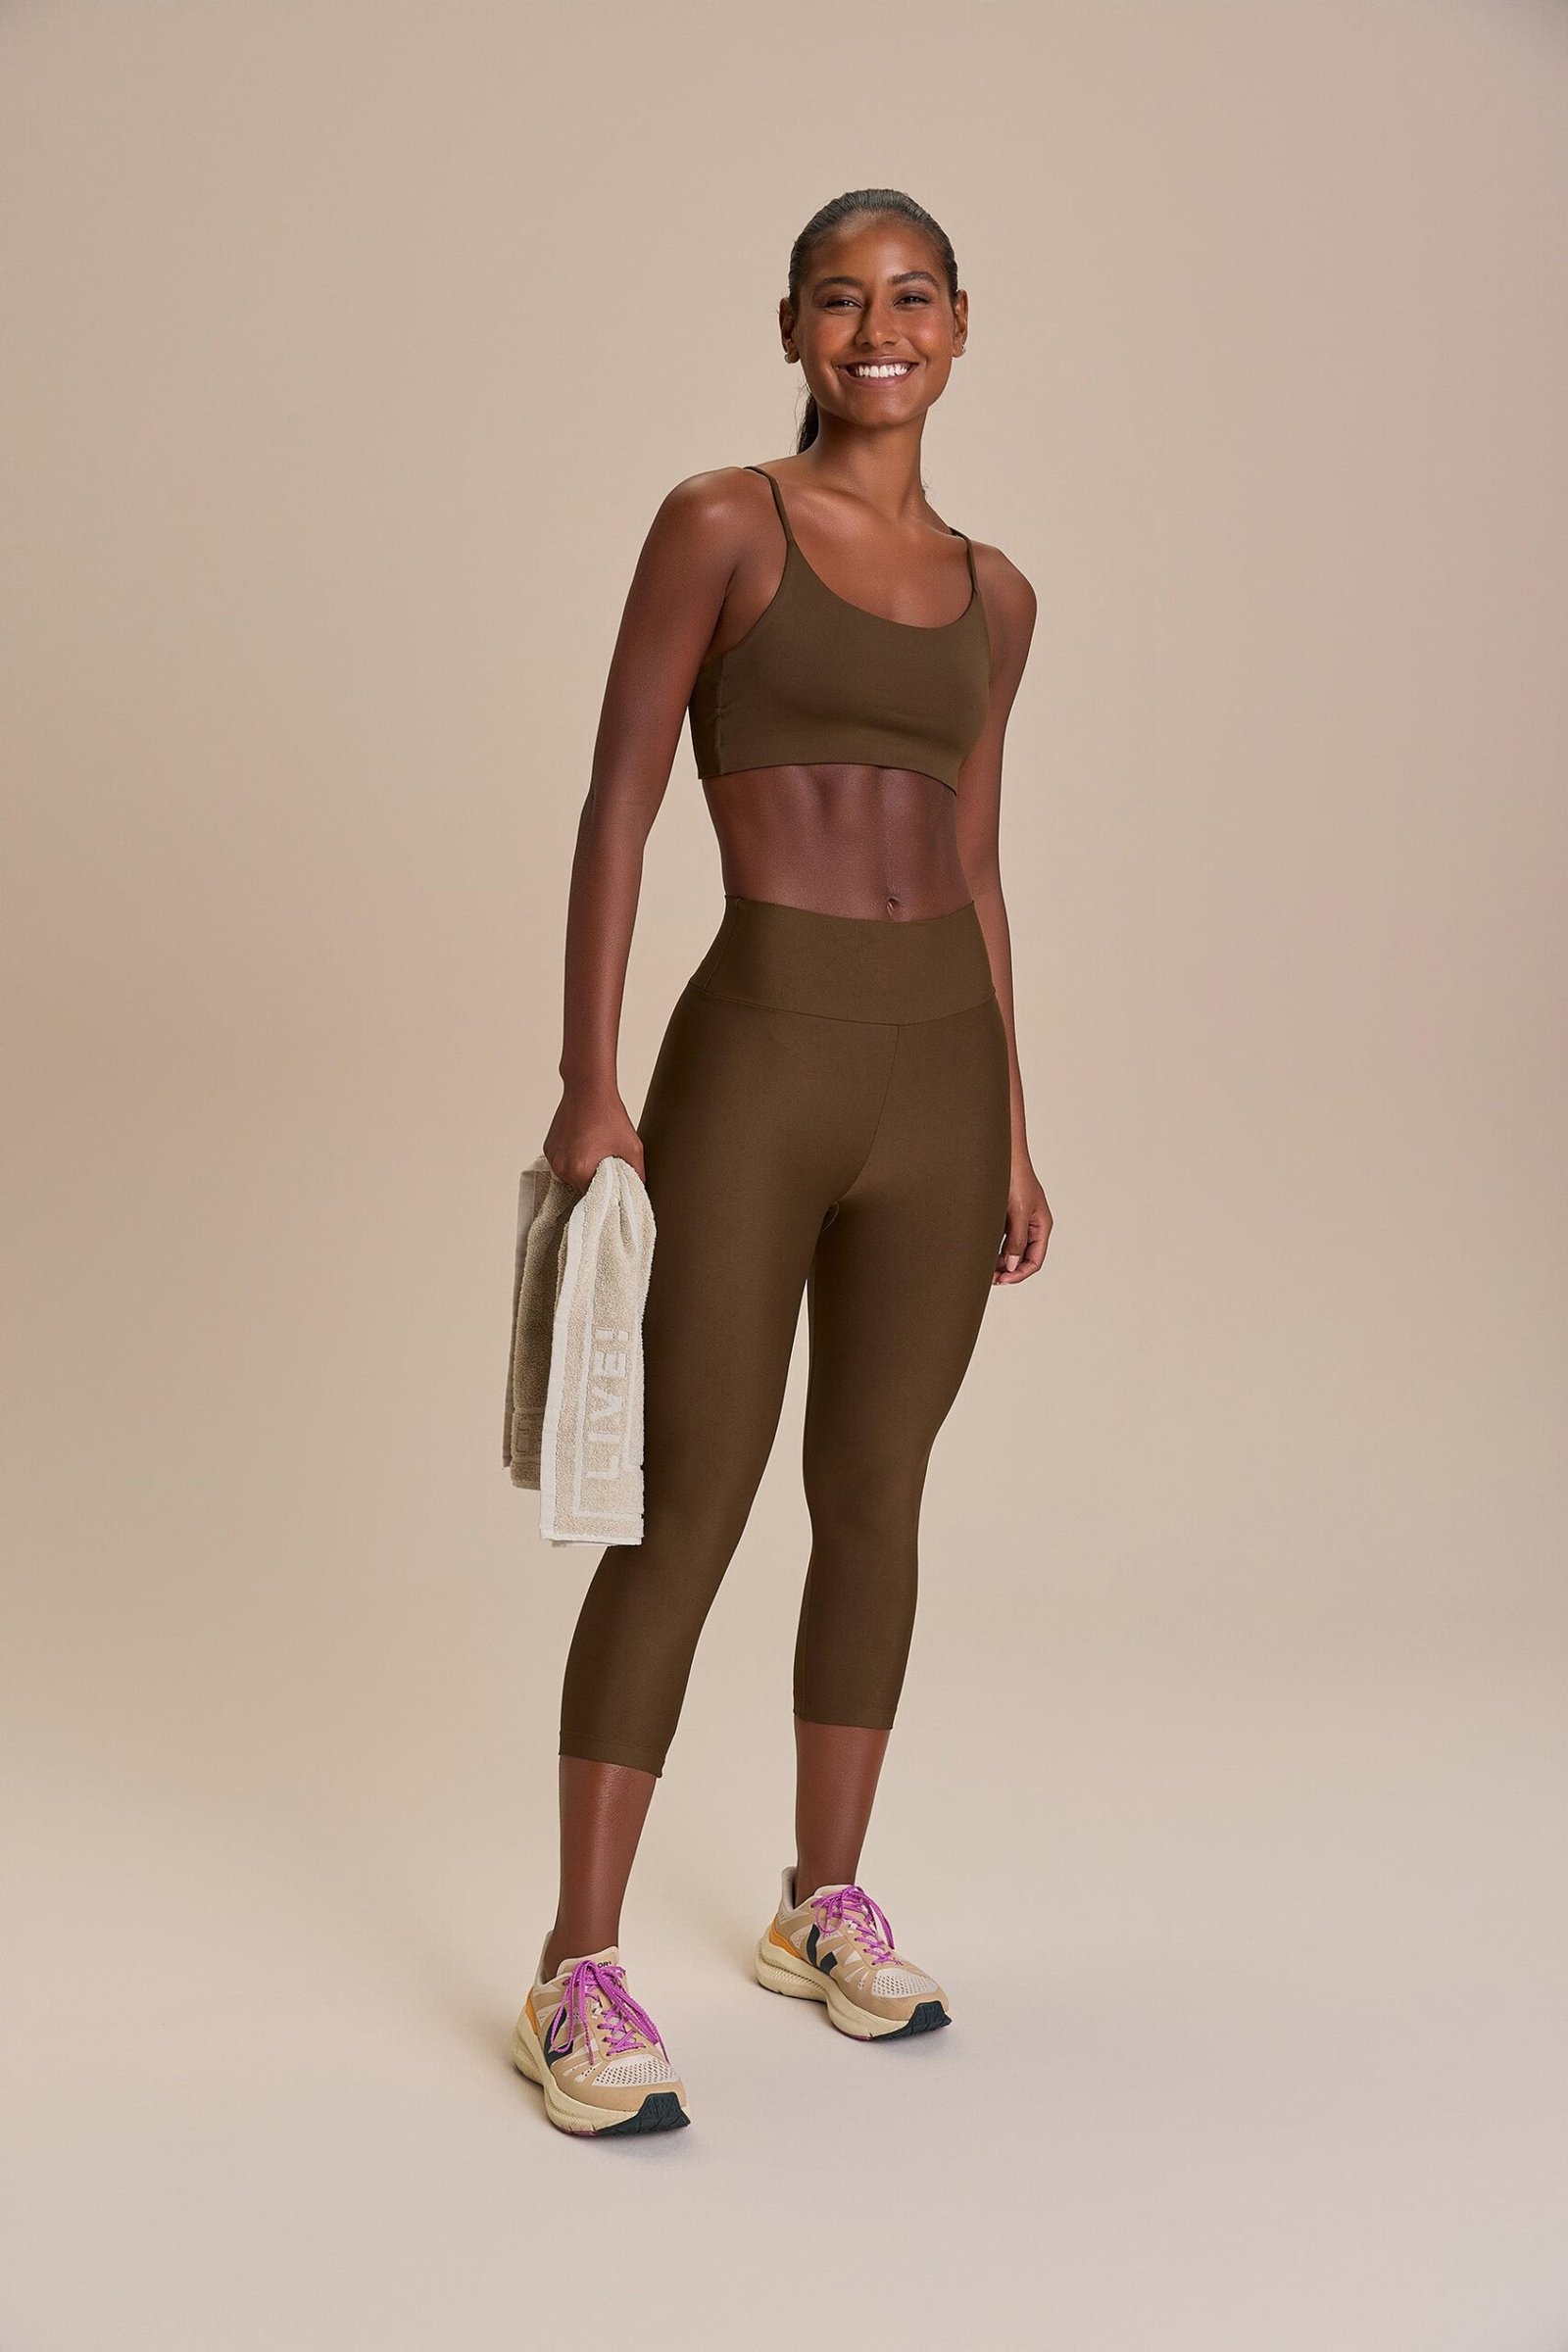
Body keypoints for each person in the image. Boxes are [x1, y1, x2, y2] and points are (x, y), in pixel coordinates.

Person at [510, 187, 1050, 2137]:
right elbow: (618, 797)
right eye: (839, 298)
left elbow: (976, 862)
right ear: (792, 327)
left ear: (961, 323)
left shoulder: (997, 595)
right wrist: (589, 1079)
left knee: (876, 1493)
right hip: (757, 1054)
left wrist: (1015, 1125)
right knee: (686, 1503)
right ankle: (574, 1970)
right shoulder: (722, 523)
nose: (875, 329)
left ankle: (823, 1902)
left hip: (940, 1075)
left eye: (908, 298)